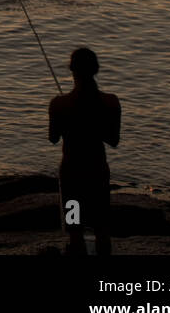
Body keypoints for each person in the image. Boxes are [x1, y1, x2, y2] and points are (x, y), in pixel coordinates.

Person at [48, 47, 120, 254]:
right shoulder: (111, 102)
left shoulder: (58, 104)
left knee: (75, 229)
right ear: (96, 69)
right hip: (97, 172)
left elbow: (53, 138)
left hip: (71, 175)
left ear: (72, 70)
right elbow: (113, 140)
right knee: (102, 228)